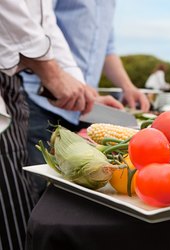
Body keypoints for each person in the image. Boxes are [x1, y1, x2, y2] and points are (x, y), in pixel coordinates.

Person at [22, 0, 151, 199]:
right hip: (42, 101)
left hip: (84, 102)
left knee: (82, 191)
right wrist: (57, 79)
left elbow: (107, 47)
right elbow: (38, 25)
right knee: (44, 192)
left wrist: (128, 87)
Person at [0, 1, 98, 249]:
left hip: (13, 81)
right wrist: (51, 73)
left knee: (19, 208)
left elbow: (45, 23)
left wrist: (79, 87)